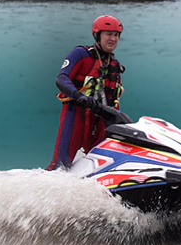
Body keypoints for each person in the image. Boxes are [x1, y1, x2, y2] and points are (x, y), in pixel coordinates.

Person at [48, 15, 125, 170]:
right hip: (77, 114)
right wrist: (79, 96)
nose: (113, 38)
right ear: (97, 35)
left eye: (116, 35)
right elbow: (61, 79)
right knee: (61, 164)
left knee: (100, 165)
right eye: (108, 34)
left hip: (102, 120)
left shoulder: (115, 65)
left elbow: (114, 98)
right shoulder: (81, 54)